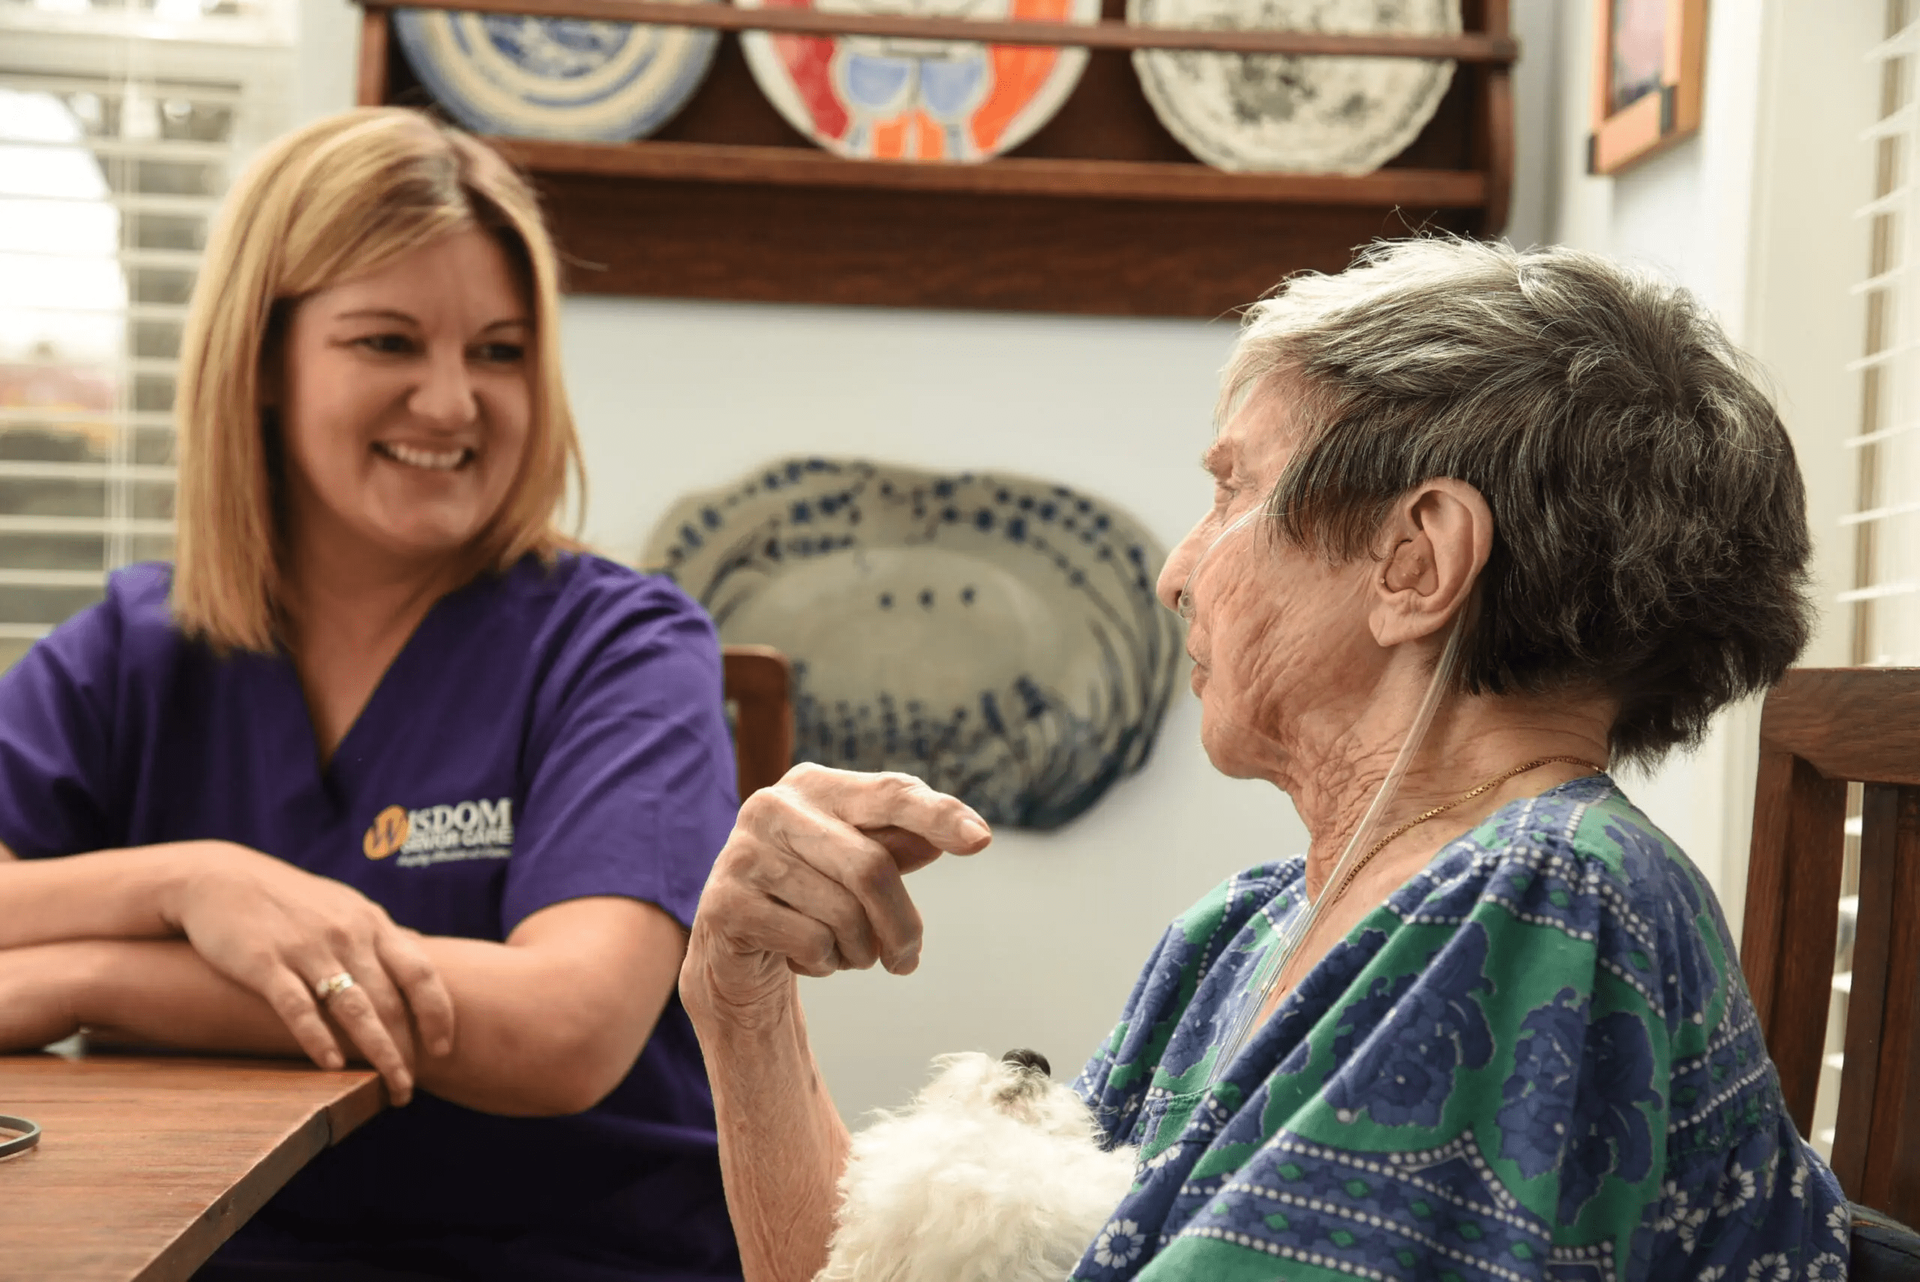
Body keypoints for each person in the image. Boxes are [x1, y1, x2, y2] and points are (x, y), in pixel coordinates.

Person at [678, 239, 1852, 1281]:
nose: (1175, 570)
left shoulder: (1551, 897)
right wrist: (739, 998)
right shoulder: (1240, 935)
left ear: (1416, 562)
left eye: (1232, 488)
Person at [0, 108, 743, 1281]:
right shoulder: (128, 654)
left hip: (583, 1256)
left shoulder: (623, 645)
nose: (451, 402)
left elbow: (564, 1027)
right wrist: (194, 883)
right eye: (388, 342)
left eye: (498, 352)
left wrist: (91, 971)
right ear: (261, 364)